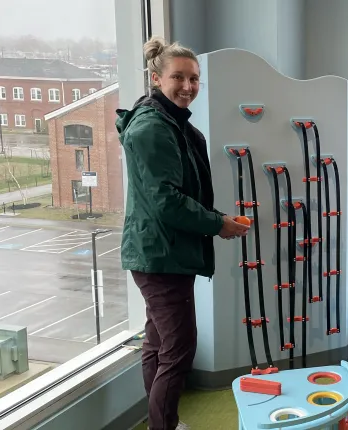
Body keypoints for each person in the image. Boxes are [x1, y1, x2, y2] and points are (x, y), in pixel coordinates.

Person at [116, 36, 249, 430]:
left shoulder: (167, 120)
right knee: (178, 349)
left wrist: (216, 219)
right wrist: (217, 223)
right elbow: (167, 202)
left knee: (158, 344)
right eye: (179, 77)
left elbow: (173, 194)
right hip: (161, 255)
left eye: (194, 78)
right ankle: (165, 426)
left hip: (162, 251)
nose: (188, 86)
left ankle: (165, 423)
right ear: (157, 78)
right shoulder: (152, 128)